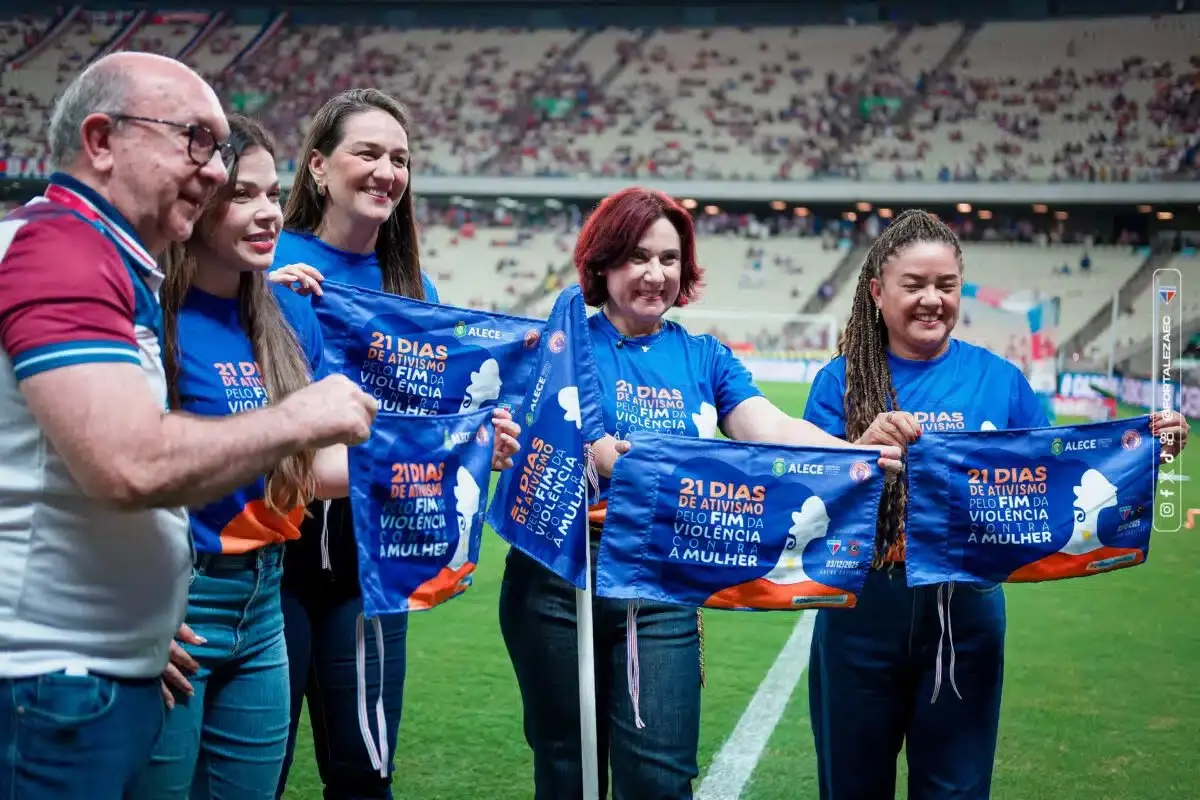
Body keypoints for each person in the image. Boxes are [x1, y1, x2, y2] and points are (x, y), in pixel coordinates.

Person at [0, 53, 376, 800]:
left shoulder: (113, 264)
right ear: (101, 141)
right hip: (56, 673)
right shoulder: (60, 252)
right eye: (193, 141)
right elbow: (129, 465)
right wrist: (294, 419)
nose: (208, 169)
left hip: (138, 646)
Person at [496, 187, 902, 800]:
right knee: (564, 767)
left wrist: (855, 452)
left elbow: (771, 429)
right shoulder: (558, 343)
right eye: (636, 257)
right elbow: (517, 432)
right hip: (556, 579)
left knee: (659, 776)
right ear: (602, 264)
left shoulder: (704, 356)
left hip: (660, 578)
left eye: (668, 258)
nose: (655, 274)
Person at [800, 208, 1190, 800]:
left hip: (968, 614)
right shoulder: (840, 380)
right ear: (878, 291)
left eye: (946, 285)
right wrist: (858, 452)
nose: (932, 300)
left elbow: (1063, 479)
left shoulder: (1000, 380)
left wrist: (1142, 454)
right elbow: (808, 500)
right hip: (862, 612)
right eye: (914, 285)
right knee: (852, 787)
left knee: (956, 788)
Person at [269, 88, 520, 799]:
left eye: (401, 159)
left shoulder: (415, 287)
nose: (387, 171)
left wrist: (480, 441)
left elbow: (438, 425)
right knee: (256, 775)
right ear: (318, 166)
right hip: (270, 551)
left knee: (364, 774)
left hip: (373, 557)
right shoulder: (268, 264)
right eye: (369, 153)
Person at [126, 114, 352, 799]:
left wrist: (454, 452)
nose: (266, 214)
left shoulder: (289, 316)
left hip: (263, 604)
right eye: (241, 195)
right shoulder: (148, 313)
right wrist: (127, 610)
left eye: (272, 195)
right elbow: (116, 469)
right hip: (175, 602)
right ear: (194, 202)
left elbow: (311, 472)